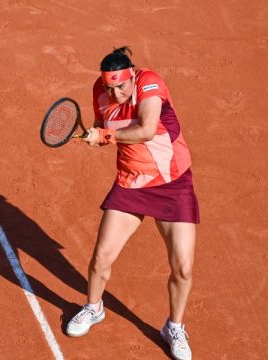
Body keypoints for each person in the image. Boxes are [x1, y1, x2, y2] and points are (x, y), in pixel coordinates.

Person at [65, 46, 199, 360]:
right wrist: (95, 136)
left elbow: (146, 130)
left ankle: (174, 327)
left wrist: (106, 138)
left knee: (183, 267)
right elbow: (105, 127)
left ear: (132, 76)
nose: (115, 93)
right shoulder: (100, 91)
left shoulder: (150, 83)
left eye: (121, 86)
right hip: (131, 183)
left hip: (172, 183)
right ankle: (93, 308)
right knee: (101, 259)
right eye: (110, 87)